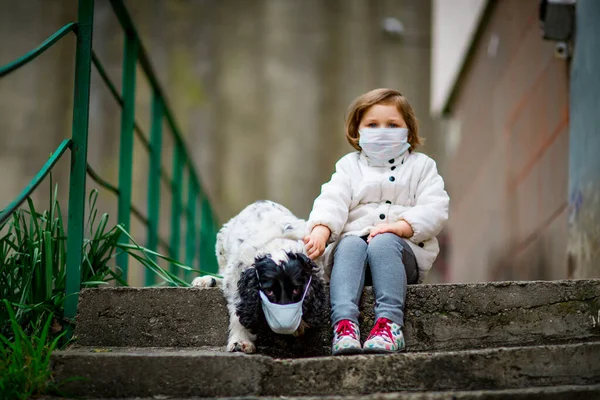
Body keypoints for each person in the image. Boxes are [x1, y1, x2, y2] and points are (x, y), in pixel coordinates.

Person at [304, 88, 449, 355]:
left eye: (392, 125)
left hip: (401, 255)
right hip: (353, 258)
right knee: (349, 244)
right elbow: (332, 199)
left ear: (408, 130)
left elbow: (435, 207)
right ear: (358, 131)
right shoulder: (349, 166)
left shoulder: (422, 166)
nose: (382, 131)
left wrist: (402, 227)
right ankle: (344, 325)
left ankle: (390, 325)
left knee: (383, 243)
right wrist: (321, 229)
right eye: (372, 125)